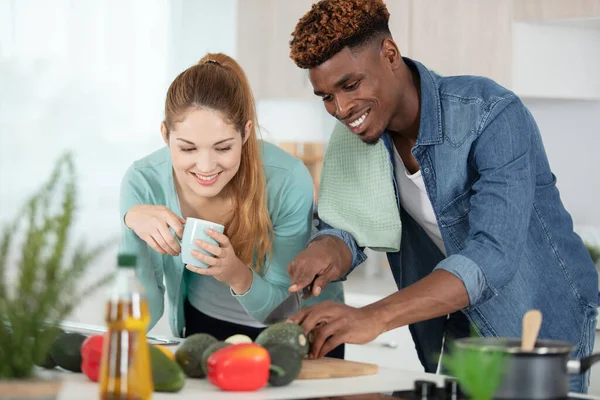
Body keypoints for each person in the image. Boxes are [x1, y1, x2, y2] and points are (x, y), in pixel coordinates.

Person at [284, 0, 599, 392]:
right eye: (326, 96)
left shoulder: (491, 114)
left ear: (390, 54)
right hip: (452, 326)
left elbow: (493, 254)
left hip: (533, 322)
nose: (341, 108)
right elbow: (352, 224)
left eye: (350, 85)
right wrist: (329, 248)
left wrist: (374, 316)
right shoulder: (358, 138)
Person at [119, 53, 344, 358]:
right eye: (187, 148)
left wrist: (236, 274)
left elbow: (283, 307)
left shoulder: (287, 179)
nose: (206, 166)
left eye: (223, 147)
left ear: (246, 133)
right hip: (205, 328)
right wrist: (131, 224)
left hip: (300, 334)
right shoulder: (143, 182)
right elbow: (145, 312)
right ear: (165, 135)